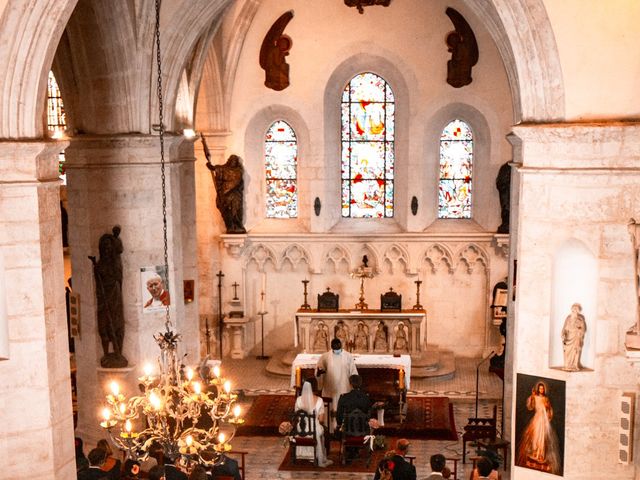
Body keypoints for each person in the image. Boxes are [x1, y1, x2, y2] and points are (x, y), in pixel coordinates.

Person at [90, 226, 127, 368]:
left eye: (108, 247)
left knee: (117, 324)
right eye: (104, 247)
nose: (106, 250)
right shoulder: (100, 264)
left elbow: (118, 276)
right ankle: (106, 353)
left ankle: (119, 352)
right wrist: (96, 270)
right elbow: (98, 280)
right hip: (102, 299)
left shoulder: (115, 263)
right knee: (104, 325)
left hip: (114, 297)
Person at [516, 381, 561, 475]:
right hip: (537, 418)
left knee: (542, 438)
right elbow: (531, 407)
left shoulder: (546, 399)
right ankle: (535, 453)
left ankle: (540, 455)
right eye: (540, 388)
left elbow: (549, 411)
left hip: (544, 420)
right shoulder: (535, 397)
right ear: (538, 389)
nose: (541, 389)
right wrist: (532, 397)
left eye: (542, 388)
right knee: (535, 436)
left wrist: (548, 408)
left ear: (544, 389)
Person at [316, 338, 358, 422]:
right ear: (331, 347)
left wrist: (355, 386)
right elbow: (319, 370)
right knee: (330, 410)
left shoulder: (348, 356)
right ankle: (330, 429)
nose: (336, 349)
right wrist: (319, 373)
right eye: (334, 348)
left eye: (338, 347)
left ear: (341, 346)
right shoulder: (325, 356)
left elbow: (353, 371)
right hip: (330, 387)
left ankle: (343, 427)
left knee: (343, 408)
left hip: (344, 387)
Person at [294, 380, 333, 467]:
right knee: (321, 431)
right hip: (314, 429)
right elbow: (321, 420)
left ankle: (302, 455)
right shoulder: (319, 400)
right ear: (315, 387)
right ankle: (317, 456)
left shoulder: (298, 400)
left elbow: (296, 416)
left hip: (301, 428)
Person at [206, 154, 246, 234]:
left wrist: (227, 189)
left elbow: (237, 182)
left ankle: (237, 226)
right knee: (227, 211)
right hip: (225, 196)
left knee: (236, 210)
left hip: (235, 195)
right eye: (232, 161)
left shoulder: (238, 171)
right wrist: (210, 166)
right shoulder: (224, 169)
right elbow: (215, 168)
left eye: (235, 161)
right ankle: (230, 226)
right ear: (229, 161)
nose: (233, 163)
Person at [561, 303, 586, 371]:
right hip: (568, 337)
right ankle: (567, 365)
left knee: (576, 351)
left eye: (575, 309)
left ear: (578, 311)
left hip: (576, 337)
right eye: (573, 309)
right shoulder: (568, 318)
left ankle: (575, 365)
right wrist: (563, 333)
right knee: (567, 351)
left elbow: (583, 329)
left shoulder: (580, 319)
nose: (574, 310)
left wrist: (579, 330)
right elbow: (564, 327)